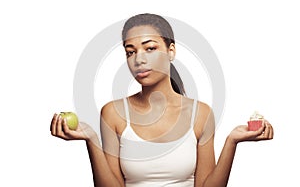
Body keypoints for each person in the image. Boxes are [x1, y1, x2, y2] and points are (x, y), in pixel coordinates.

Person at [50, 13, 274, 187]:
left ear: (171, 51)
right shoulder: (113, 113)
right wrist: (91, 140)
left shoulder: (201, 114)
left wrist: (232, 142)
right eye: (130, 52)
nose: (139, 59)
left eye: (150, 48)